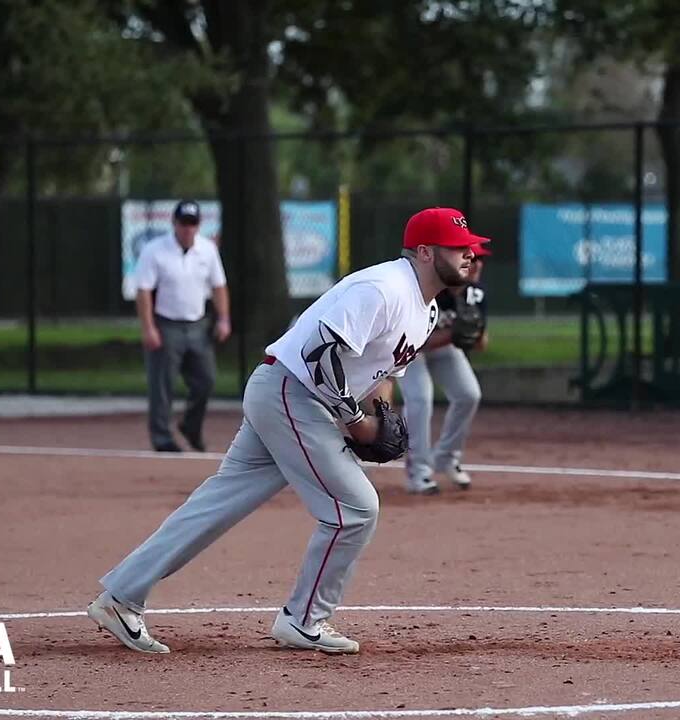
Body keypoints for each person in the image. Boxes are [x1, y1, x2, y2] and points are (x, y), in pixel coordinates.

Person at [87, 207, 487, 655]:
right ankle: (303, 620)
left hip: (291, 396)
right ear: (426, 252)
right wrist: (355, 421)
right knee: (354, 508)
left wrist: (379, 416)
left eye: (471, 248)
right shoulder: (383, 289)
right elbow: (318, 353)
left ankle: (121, 597)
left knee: (218, 503)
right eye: (460, 248)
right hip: (290, 392)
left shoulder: (426, 309)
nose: (470, 254)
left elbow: (383, 374)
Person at [134, 200, 231, 452]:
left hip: (198, 325)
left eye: (192, 224)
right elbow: (144, 291)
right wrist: (148, 328)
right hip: (166, 324)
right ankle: (162, 437)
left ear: (198, 226)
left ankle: (191, 425)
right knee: (162, 383)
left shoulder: (207, 250)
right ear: (174, 224)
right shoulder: (155, 250)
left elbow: (218, 286)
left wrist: (223, 319)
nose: (188, 229)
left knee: (206, 380)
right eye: (183, 223)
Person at [398, 243, 491, 495]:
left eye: (479, 258)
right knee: (420, 399)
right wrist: (454, 333)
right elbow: (413, 342)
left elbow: (482, 344)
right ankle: (418, 472)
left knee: (468, 394)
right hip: (409, 349)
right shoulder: (429, 291)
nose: (477, 263)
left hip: (443, 346)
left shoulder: (476, 293)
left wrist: (472, 329)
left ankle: (447, 458)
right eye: (471, 257)